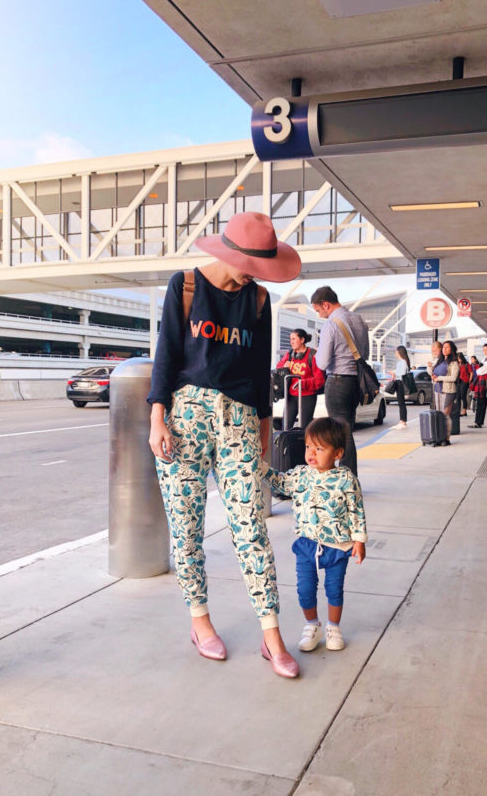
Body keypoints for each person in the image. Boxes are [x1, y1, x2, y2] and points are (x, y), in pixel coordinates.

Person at [148, 211, 301, 679]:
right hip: (184, 420)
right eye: (247, 265)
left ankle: (271, 633)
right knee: (186, 528)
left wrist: (263, 436)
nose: (251, 275)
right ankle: (200, 621)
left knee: (251, 526)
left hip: (238, 422)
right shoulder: (186, 287)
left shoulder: (258, 299)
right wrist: (157, 418)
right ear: (228, 252)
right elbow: (167, 355)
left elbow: (260, 374)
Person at [261, 417, 367, 652]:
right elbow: (280, 482)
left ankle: (333, 627)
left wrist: (359, 540)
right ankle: (312, 625)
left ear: (337, 453)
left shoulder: (346, 479)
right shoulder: (300, 475)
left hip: (338, 546)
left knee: (334, 589)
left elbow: (356, 511)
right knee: (305, 589)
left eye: (320, 449)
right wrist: (262, 469)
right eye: (309, 446)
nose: (312, 453)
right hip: (307, 544)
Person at [310, 286, 369, 475]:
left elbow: (323, 362)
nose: (319, 315)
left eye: (319, 310)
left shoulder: (331, 324)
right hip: (355, 382)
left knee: (342, 433)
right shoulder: (359, 320)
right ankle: (348, 476)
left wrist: (318, 353)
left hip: (337, 381)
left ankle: (349, 479)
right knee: (347, 429)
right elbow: (364, 354)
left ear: (326, 304)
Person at [276, 328, 325, 428]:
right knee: (286, 426)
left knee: (305, 428)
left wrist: (303, 383)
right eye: (290, 339)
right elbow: (278, 369)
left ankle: (304, 444)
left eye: (294, 339)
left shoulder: (312, 355)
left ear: (302, 340)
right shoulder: (289, 354)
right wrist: (284, 366)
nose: (291, 342)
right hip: (291, 396)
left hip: (307, 396)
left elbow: (320, 380)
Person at [431, 340, 460, 444]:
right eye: (443, 347)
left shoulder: (454, 362)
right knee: (439, 414)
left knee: (445, 414)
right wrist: (432, 373)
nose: (444, 349)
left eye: (447, 347)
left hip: (449, 390)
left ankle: (447, 438)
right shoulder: (439, 361)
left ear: (451, 349)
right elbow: (432, 372)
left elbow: (453, 377)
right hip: (438, 389)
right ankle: (440, 437)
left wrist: (439, 378)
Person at [469, 342, 487, 428]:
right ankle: (478, 422)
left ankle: (478, 422)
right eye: (483, 350)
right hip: (483, 383)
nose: (485, 351)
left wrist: (477, 371)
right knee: (481, 403)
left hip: (486, 383)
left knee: (481, 403)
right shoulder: (486, 358)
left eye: (486, 350)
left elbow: (483, 369)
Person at [388, 345, 411, 429]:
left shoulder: (403, 362)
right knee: (401, 403)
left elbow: (401, 373)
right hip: (400, 383)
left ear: (399, 352)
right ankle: (402, 421)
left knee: (401, 403)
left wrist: (393, 373)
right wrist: (393, 372)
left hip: (400, 383)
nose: (395, 353)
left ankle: (403, 421)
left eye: (396, 351)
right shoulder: (403, 362)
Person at [456, 352, 471, 416]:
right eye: (458, 358)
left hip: (465, 381)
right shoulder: (457, 365)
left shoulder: (466, 364)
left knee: (463, 396)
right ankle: (458, 411)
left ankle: (464, 411)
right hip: (459, 381)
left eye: (459, 358)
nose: (458, 360)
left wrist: (469, 380)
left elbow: (471, 373)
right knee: (458, 397)